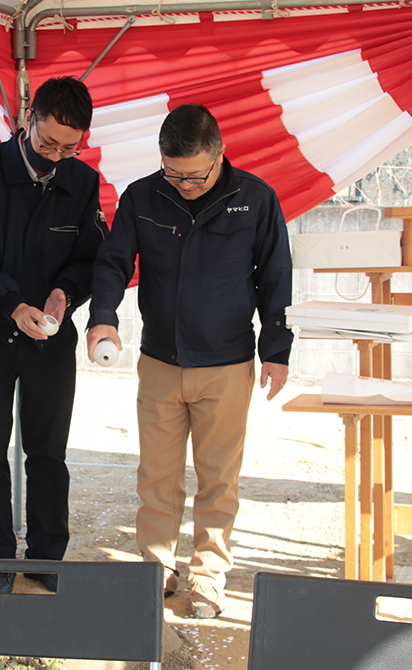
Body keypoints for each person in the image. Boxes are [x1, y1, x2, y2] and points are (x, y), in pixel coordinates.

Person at [86, 103, 293, 619]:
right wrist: (103, 316)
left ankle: (207, 575)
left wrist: (277, 350)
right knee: (157, 475)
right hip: (159, 363)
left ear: (220, 154)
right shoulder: (143, 196)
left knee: (218, 476)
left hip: (226, 366)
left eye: (196, 174)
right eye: (173, 173)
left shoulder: (255, 200)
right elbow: (114, 262)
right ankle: (156, 567)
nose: (184, 184)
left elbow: (276, 278)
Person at [0, 76, 106, 593]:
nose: (56, 155)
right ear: (28, 119)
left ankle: (47, 560)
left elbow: (89, 258)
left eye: (69, 147)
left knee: (48, 454)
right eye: (47, 143)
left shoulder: (82, 183)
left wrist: (65, 293)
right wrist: (13, 306)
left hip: (51, 339)